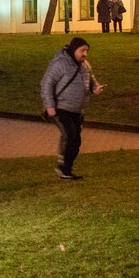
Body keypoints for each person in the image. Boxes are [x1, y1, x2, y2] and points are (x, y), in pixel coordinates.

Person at [41, 37, 104, 180]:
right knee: (70, 136)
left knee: (76, 141)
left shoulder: (85, 65)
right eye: (82, 50)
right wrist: (50, 106)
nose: (85, 54)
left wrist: (95, 88)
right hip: (61, 108)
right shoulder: (60, 64)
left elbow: (91, 79)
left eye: (87, 50)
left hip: (77, 110)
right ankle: (63, 168)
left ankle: (66, 169)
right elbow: (46, 84)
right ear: (73, 49)